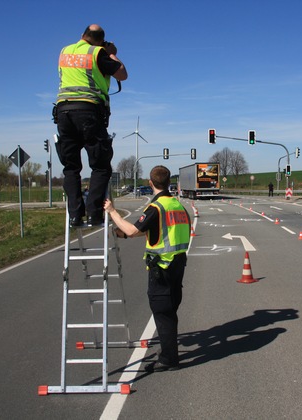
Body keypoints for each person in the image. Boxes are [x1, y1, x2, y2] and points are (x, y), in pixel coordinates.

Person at [104, 166, 190, 372]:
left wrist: (112, 211)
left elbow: (134, 230)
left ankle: (169, 359)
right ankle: (170, 353)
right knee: (169, 311)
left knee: (162, 313)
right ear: (169, 182)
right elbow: (158, 230)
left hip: (161, 268)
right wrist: (124, 234)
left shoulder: (156, 207)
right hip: (177, 265)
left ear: (150, 183)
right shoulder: (177, 205)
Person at [54, 24, 128, 227]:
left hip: (63, 113)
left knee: (71, 167)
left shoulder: (64, 51)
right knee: (101, 165)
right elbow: (122, 74)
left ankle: (75, 215)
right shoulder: (98, 53)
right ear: (100, 41)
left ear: (82, 35)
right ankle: (95, 214)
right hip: (89, 112)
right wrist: (111, 54)